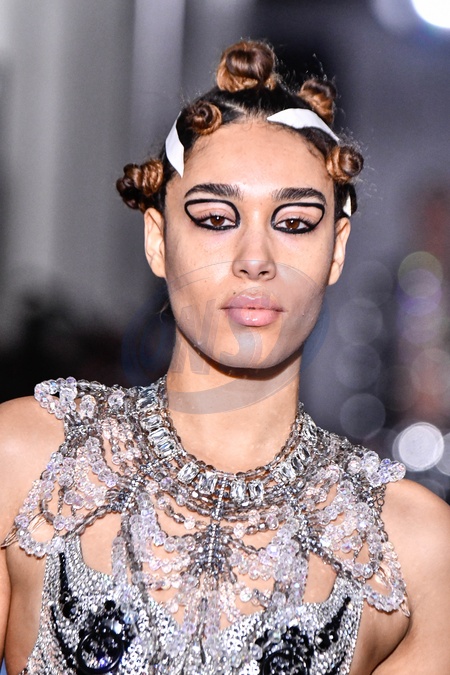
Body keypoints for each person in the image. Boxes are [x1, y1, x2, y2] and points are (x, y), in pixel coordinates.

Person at [1, 39, 449, 675]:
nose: (255, 259)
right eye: (216, 219)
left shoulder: (414, 548)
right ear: (158, 239)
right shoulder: (22, 460)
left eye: (294, 223)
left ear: (337, 248)